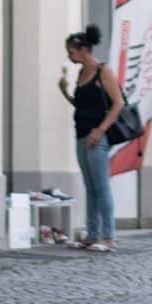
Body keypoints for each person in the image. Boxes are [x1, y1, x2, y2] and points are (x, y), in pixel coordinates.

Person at [58, 27, 120, 253]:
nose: (69, 56)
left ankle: (108, 235)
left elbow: (118, 103)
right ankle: (92, 234)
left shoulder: (102, 71)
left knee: (102, 187)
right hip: (81, 134)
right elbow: (83, 106)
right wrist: (65, 92)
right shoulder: (82, 73)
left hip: (97, 137)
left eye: (71, 52)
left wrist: (100, 130)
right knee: (91, 187)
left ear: (83, 50)